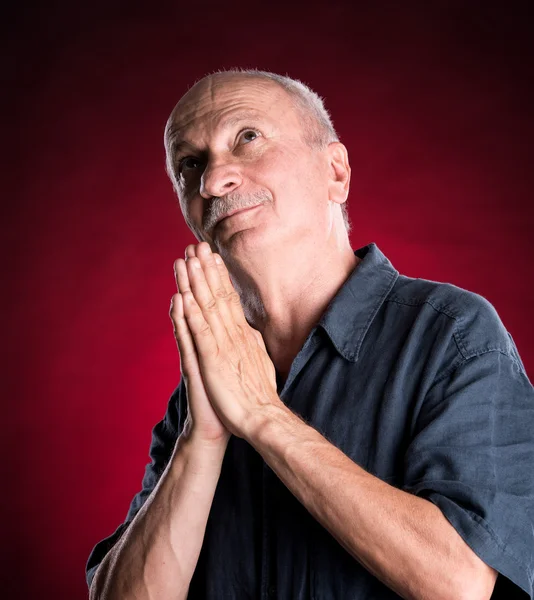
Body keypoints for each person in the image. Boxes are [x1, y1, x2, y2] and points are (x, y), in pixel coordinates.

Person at [86, 69, 534, 600]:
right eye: (190, 164)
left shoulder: (452, 336)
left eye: (247, 138)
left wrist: (264, 418)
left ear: (336, 172)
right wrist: (200, 441)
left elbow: (462, 584)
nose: (212, 180)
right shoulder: (203, 388)